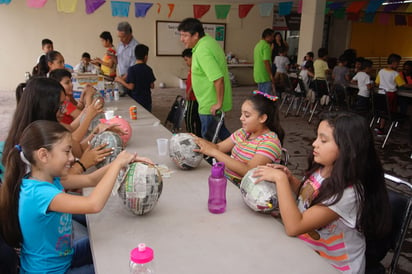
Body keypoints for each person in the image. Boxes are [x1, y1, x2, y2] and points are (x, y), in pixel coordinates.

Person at [0, 120, 152, 273]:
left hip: (65, 258)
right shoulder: (38, 194)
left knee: (113, 241)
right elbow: (94, 204)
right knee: (113, 266)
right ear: (43, 155)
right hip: (52, 271)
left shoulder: (49, 179)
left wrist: (124, 163)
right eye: (67, 151)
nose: (72, 158)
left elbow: (90, 179)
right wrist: (117, 164)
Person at [253, 111, 391, 273]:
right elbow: (311, 197)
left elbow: (294, 226)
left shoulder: (349, 192)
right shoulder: (324, 168)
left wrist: (280, 181)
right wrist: (290, 180)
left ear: (347, 148)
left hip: (334, 265)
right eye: (317, 137)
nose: (314, 143)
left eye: (323, 140)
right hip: (307, 250)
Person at [194, 91, 284, 185]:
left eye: (247, 115)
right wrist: (196, 140)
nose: (241, 118)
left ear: (262, 118)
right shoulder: (243, 132)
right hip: (227, 181)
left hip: (245, 190)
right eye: (242, 114)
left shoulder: (270, 142)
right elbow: (219, 147)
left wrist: (215, 153)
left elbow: (248, 171)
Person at [178, 18, 232, 142]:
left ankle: (235, 156)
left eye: (185, 35)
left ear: (196, 35)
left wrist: (218, 103)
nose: (182, 39)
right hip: (209, 101)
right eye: (181, 35)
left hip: (210, 104)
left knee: (208, 139)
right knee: (220, 133)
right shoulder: (207, 41)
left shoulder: (202, 50)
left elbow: (218, 78)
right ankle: (239, 154)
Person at [374, 53, 411, 135]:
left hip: (381, 94)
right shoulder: (395, 74)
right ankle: (381, 128)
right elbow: (402, 84)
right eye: (398, 63)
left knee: (382, 110)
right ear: (394, 62)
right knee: (388, 112)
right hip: (390, 95)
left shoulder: (381, 71)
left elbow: (376, 83)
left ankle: (378, 125)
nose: (398, 65)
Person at [115, 44, 156, 112]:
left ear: (135, 56)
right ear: (146, 57)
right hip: (147, 100)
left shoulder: (132, 69)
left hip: (135, 101)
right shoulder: (148, 69)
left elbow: (131, 87)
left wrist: (120, 80)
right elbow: (152, 86)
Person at [182, 48, 201, 137]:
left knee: (188, 118)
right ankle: (197, 136)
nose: (186, 62)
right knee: (197, 118)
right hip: (196, 98)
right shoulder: (192, 68)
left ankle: (191, 136)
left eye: (187, 60)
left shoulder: (195, 68)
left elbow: (194, 82)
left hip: (193, 98)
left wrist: (189, 92)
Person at [253, 28, 275, 95]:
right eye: (272, 36)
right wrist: (271, 75)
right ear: (268, 36)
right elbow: (266, 61)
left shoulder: (258, 45)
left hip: (258, 73)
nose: (273, 38)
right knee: (266, 97)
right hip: (264, 74)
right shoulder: (266, 46)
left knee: (261, 95)